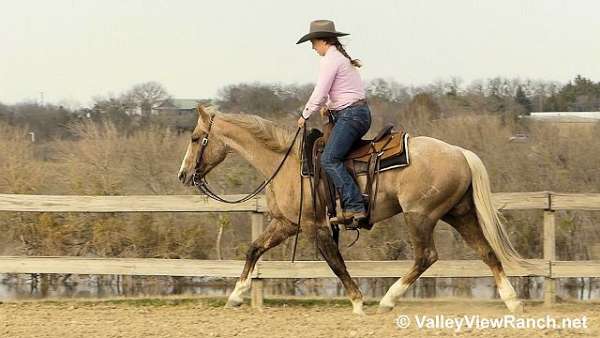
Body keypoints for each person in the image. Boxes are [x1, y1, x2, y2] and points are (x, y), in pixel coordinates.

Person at [296, 20, 371, 224]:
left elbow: (320, 92)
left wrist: (305, 114)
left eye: (313, 42)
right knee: (334, 155)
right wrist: (328, 104)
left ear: (323, 41)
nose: (312, 47)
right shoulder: (339, 58)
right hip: (354, 114)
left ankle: (355, 206)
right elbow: (339, 91)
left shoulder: (330, 59)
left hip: (351, 116)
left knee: (329, 159)